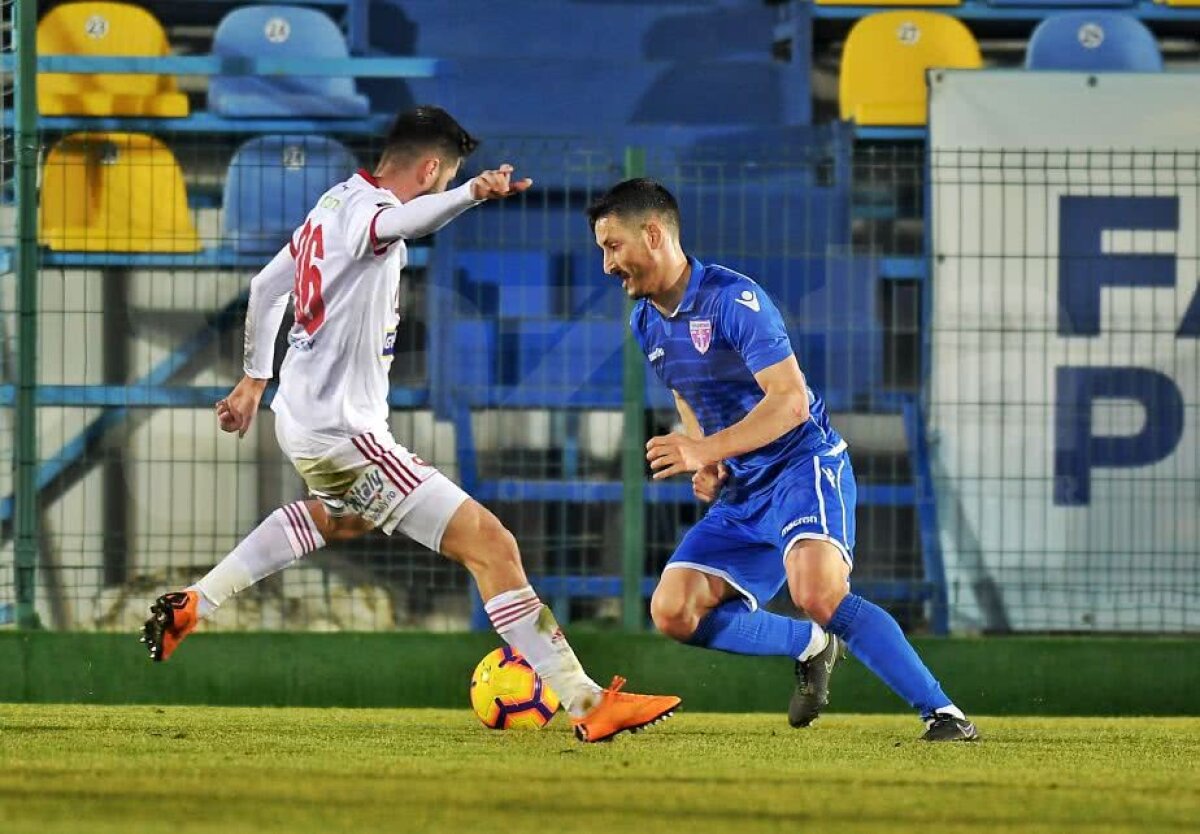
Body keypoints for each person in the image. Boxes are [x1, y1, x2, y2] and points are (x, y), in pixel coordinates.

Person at [140, 107, 680, 743]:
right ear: (431, 169)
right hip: (346, 432)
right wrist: (471, 193)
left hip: (303, 421)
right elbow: (402, 221)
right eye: (446, 174)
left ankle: (198, 600)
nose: (445, 182)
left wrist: (255, 378)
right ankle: (587, 704)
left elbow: (264, 288)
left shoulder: (328, 207)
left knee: (341, 516)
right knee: (493, 545)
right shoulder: (372, 215)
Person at [586, 178, 977, 742]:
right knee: (673, 611)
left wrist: (704, 447)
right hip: (744, 487)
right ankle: (812, 645)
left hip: (801, 468)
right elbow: (685, 390)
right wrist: (709, 460)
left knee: (817, 594)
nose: (607, 265)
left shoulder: (733, 300)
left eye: (613, 246)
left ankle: (944, 715)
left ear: (653, 234)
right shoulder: (645, 320)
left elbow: (790, 402)